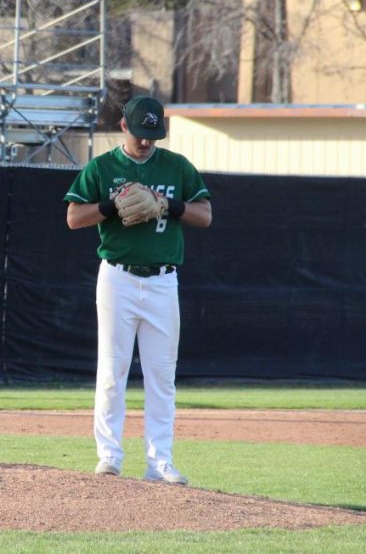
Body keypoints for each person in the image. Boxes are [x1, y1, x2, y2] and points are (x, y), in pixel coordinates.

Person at [64, 95, 212, 485]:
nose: (147, 142)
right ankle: (109, 456)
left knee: (162, 375)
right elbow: (74, 217)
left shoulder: (177, 166)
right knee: (112, 372)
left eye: (154, 134)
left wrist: (168, 205)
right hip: (117, 277)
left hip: (163, 280)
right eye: (141, 133)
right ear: (124, 126)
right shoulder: (103, 166)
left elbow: (205, 215)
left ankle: (159, 461)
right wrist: (111, 206)